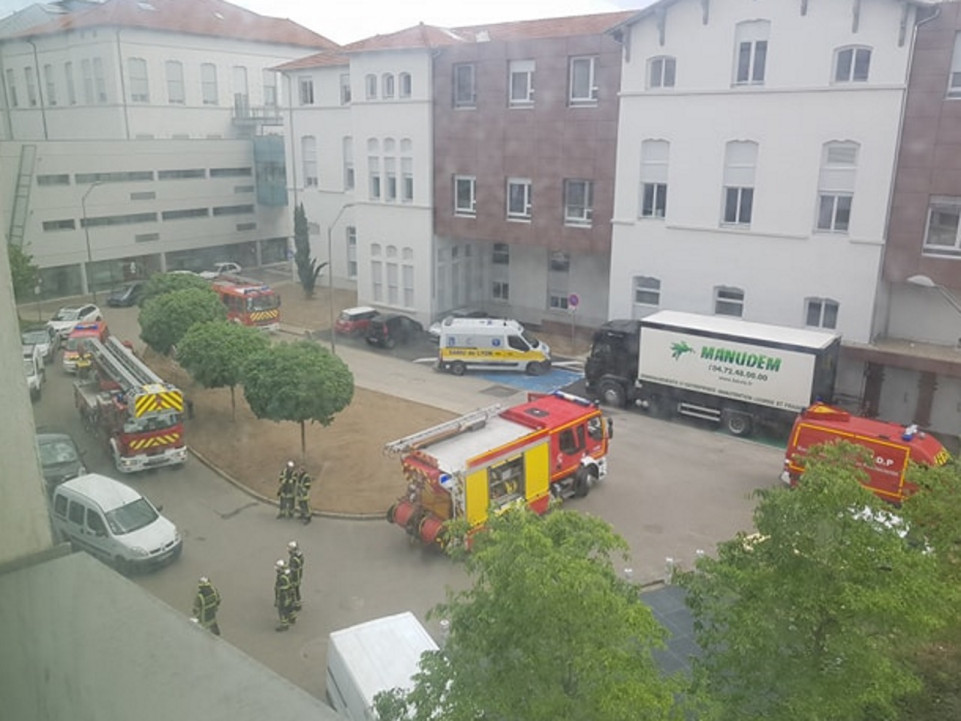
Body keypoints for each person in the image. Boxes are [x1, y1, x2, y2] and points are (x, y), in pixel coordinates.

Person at [273, 559, 295, 631]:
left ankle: (284, 625)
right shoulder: (288, 573)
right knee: (290, 608)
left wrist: (278, 599)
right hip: (290, 595)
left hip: (284, 597)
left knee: (282, 611)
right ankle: (292, 618)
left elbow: (281, 589)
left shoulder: (282, 577)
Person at [287, 541, 304, 611]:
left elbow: (294, 570)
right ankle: (297, 603)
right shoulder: (298, 555)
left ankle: (296, 605)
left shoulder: (294, 559)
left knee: (294, 591)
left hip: (295, 578)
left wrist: (293, 580)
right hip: (298, 576)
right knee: (296, 590)